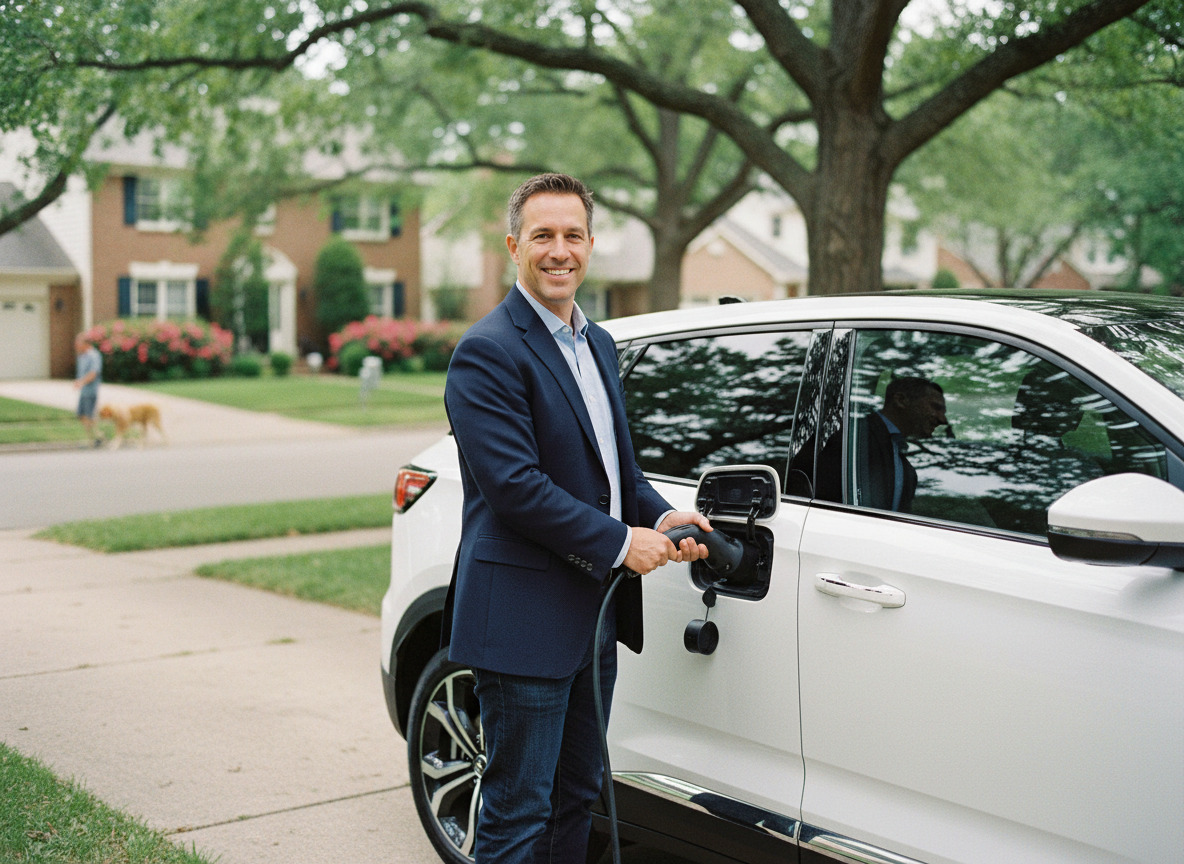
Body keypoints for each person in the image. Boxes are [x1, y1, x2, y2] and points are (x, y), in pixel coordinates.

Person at [443, 172, 711, 864]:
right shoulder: (488, 351)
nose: (558, 250)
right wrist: (624, 542)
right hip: (522, 623)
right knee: (518, 813)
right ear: (513, 245)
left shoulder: (599, 346)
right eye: (542, 236)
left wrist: (661, 513)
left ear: (591, 244)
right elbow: (516, 488)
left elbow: (616, 475)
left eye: (571, 235)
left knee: (576, 798)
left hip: (591, 618)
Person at [856, 376, 947, 511]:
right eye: (935, 407)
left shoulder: (903, 465)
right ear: (901, 400)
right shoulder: (857, 438)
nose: (943, 419)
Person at [73, 333, 103, 447]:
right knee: (82, 415)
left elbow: (93, 374)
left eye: (78, 343)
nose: (76, 346)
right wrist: (79, 381)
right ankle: (97, 436)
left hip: (91, 390)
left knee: (89, 415)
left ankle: (95, 438)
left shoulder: (94, 356)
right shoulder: (82, 356)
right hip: (84, 390)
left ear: (86, 344)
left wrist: (81, 382)